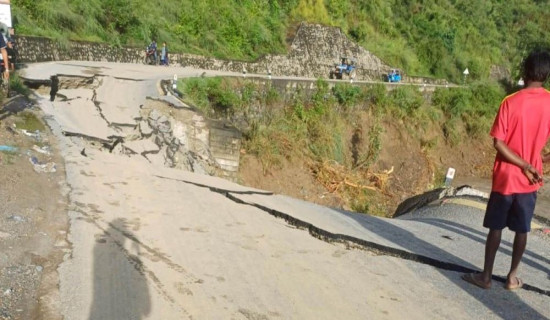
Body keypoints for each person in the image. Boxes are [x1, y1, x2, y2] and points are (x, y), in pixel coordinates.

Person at [462, 49, 550, 290]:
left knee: (496, 228)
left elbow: (498, 143)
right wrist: (539, 162)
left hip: (506, 178)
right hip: (531, 180)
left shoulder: (510, 102)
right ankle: (512, 277)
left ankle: (486, 276)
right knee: (522, 229)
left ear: (525, 71)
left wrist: (523, 164)